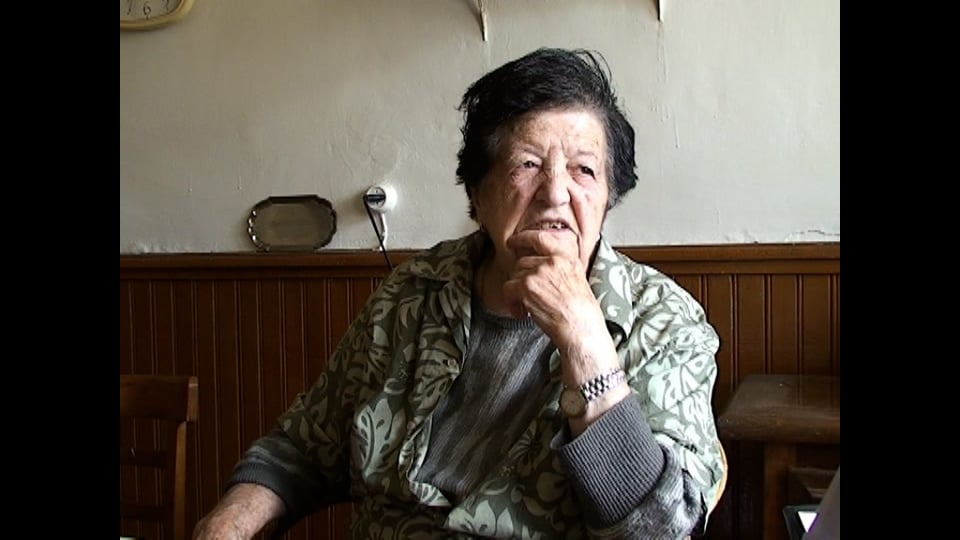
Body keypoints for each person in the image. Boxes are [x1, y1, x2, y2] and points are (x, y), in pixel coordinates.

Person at [193, 47, 725, 539]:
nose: (556, 194)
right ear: (478, 193)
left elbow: (660, 530)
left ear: (609, 195)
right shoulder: (412, 293)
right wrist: (229, 523)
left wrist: (586, 346)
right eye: (528, 165)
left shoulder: (664, 322)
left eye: (584, 170)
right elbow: (305, 446)